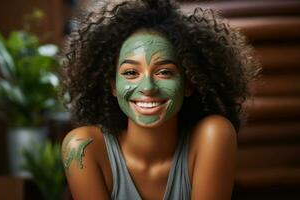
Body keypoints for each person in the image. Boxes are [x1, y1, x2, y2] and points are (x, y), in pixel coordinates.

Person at [60, 0, 259, 199]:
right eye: (130, 72)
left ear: (189, 83)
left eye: (164, 72)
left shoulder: (214, 135)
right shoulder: (82, 147)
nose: (147, 87)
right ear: (113, 86)